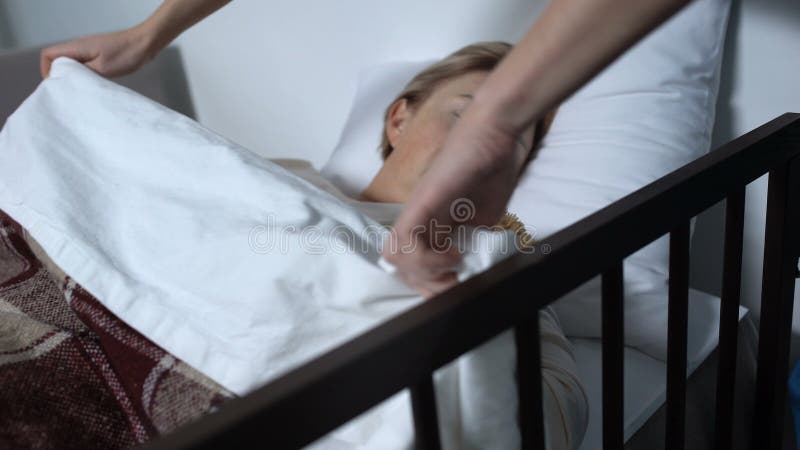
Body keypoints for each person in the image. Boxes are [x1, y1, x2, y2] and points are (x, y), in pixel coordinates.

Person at [40, 0, 691, 295]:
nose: (481, 144)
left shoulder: (496, 268)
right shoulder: (274, 180)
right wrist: (151, 32)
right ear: (398, 120)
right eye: (463, 115)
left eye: (514, 141)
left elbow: (543, 405)